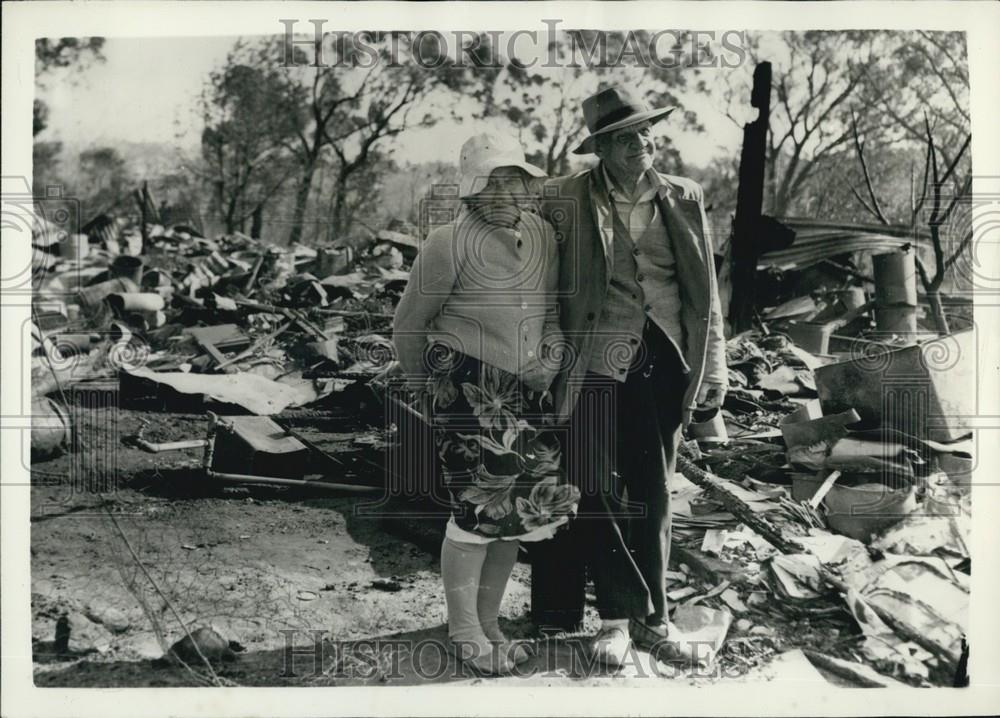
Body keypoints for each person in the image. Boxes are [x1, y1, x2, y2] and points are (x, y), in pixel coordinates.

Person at [531, 85, 728, 666]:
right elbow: (541, 278)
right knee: (593, 488)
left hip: (665, 357)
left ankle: (655, 620)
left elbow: (707, 294)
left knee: (654, 493)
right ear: (600, 148)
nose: (640, 144)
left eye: (646, 133)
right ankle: (616, 620)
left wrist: (714, 364)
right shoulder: (565, 196)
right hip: (593, 360)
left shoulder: (684, 195)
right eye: (624, 137)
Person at [392, 132, 579, 675]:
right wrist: (426, 386)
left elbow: (550, 311)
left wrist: (549, 356)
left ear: (529, 187)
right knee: (477, 512)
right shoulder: (447, 242)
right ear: (472, 188)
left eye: (515, 180)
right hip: (466, 386)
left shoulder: (542, 234)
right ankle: (464, 629)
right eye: (493, 182)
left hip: (526, 388)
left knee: (518, 514)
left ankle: (489, 621)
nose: (505, 193)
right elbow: (408, 325)